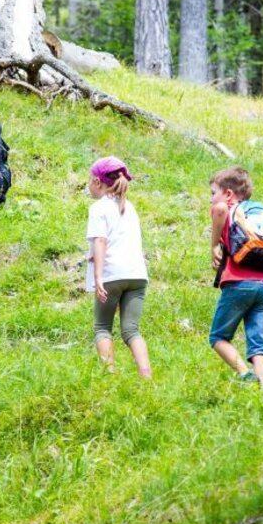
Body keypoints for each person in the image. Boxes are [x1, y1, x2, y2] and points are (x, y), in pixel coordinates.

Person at [208, 166, 263, 386]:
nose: (211, 200)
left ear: (229, 194)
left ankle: (245, 374)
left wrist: (214, 244)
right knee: (259, 345)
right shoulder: (260, 213)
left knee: (218, 337)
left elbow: (220, 209)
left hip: (238, 284)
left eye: (213, 193)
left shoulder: (228, 209)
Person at [86, 156, 152, 378]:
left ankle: (109, 377)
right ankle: (146, 376)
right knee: (131, 330)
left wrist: (97, 278)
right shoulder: (129, 207)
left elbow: (101, 241)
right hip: (137, 275)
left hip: (111, 275)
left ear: (97, 182)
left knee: (102, 327)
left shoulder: (99, 208)